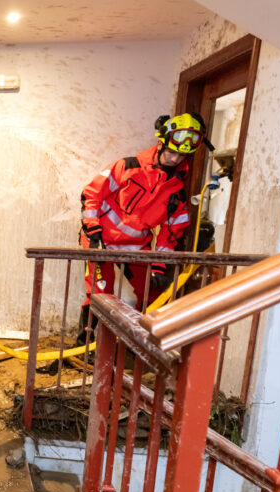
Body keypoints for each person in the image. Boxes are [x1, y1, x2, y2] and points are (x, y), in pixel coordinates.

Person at [76, 113, 212, 339]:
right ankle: (84, 345)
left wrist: (159, 264)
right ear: (160, 144)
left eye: (181, 155)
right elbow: (91, 194)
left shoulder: (176, 189)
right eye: (171, 152)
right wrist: (93, 232)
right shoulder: (128, 166)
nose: (175, 159)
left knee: (153, 294)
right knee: (99, 295)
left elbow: (171, 231)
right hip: (101, 242)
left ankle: (137, 345)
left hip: (136, 247)